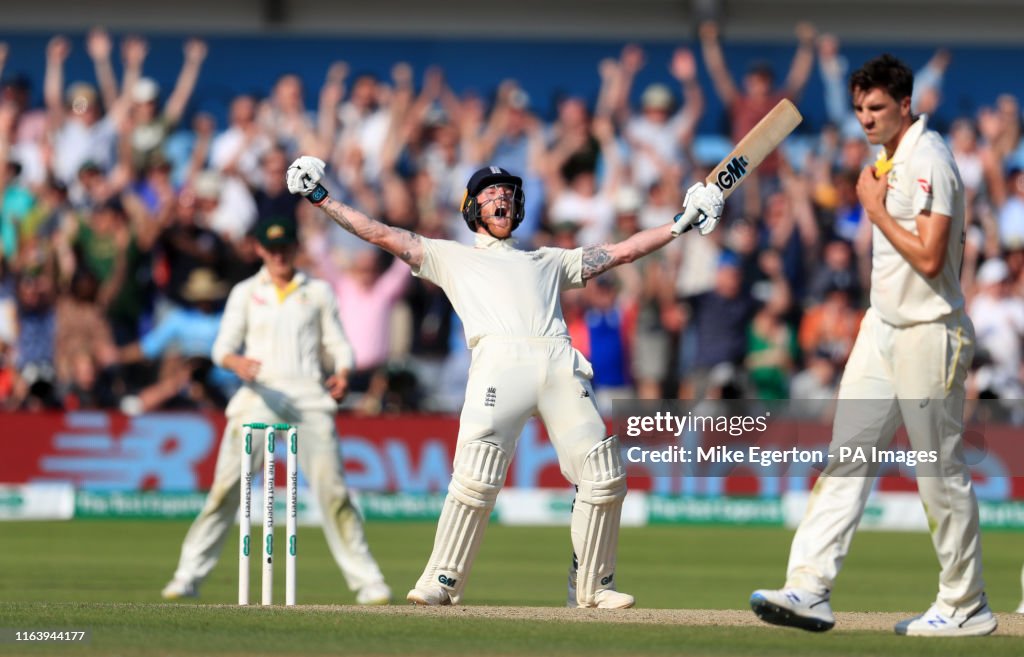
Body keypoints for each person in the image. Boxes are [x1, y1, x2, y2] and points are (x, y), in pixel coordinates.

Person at [285, 157, 723, 608]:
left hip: (558, 361)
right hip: (497, 362)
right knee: (475, 481)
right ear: (472, 208)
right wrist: (322, 198)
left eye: (508, 193)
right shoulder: (450, 256)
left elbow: (622, 251)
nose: (501, 199)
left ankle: (593, 588)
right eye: (490, 194)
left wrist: (680, 223)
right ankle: (441, 580)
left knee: (604, 476)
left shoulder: (548, 259)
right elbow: (379, 233)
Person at [750, 54, 996, 637]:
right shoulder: (886, 156)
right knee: (846, 459)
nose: (865, 118)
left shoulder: (928, 158)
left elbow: (933, 257)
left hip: (929, 333)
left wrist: (874, 211)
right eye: (860, 108)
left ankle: (965, 605)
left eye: (877, 108)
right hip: (880, 329)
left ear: (905, 104)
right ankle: (808, 588)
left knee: (938, 472)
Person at [161, 216, 392, 605]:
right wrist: (236, 363)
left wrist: (343, 371)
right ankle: (187, 576)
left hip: (308, 398)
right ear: (260, 250)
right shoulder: (245, 292)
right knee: (224, 491)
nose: (280, 254)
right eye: (272, 248)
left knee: (334, 493)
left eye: (286, 247)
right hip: (258, 397)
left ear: (294, 249)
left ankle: (368, 582)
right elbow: (221, 348)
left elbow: (338, 343)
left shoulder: (317, 291)